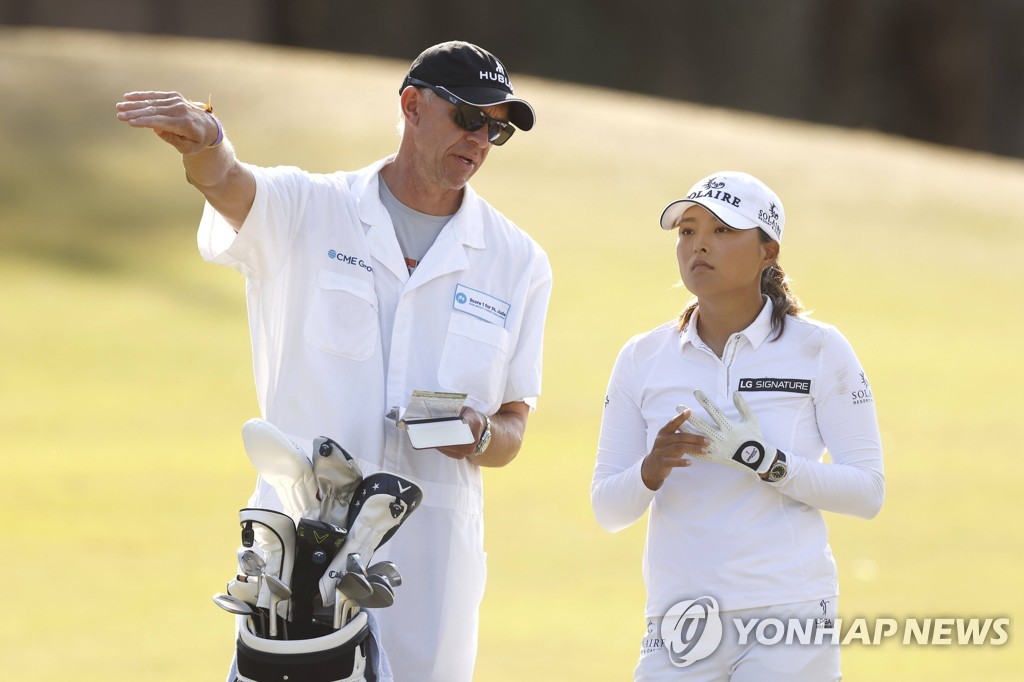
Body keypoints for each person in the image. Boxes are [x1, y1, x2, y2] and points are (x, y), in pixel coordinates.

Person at [116, 41, 552, 682]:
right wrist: (206, 146)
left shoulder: (518, 262)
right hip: (301, 551)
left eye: (497, 128)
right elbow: (231, 186)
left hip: (431, 562)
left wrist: (482, 433)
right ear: (412, 106)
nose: (481, 138)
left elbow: (513, 425)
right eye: (468, 117)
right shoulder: (311, 208)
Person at [590, 171, 884, 681]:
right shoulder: (642, 357)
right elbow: (607, 510)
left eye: (723, 230)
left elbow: (868, 492)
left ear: (768, 251)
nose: (699, 244)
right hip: (679, 619)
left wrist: (767, 462)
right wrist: (650, 470)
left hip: (788, 612)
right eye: (687, 230)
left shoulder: (818, 348)